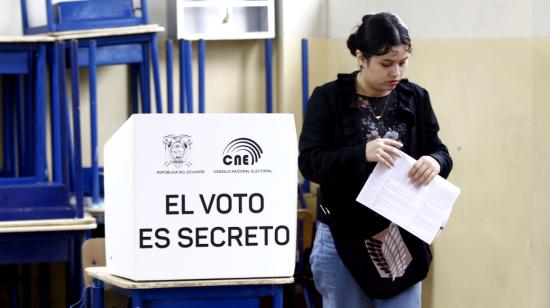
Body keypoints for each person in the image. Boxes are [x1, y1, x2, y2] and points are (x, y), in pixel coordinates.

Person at [298, 12, 453, 308]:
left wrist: (435, 162)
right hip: (341, 237)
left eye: (403, 62)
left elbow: (439, 150)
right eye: (386, 63)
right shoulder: (328, 98)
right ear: (360, 57)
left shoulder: (416, 97)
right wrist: (361, 153)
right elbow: (309, 162)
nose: (396, 72)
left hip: (400, 235)